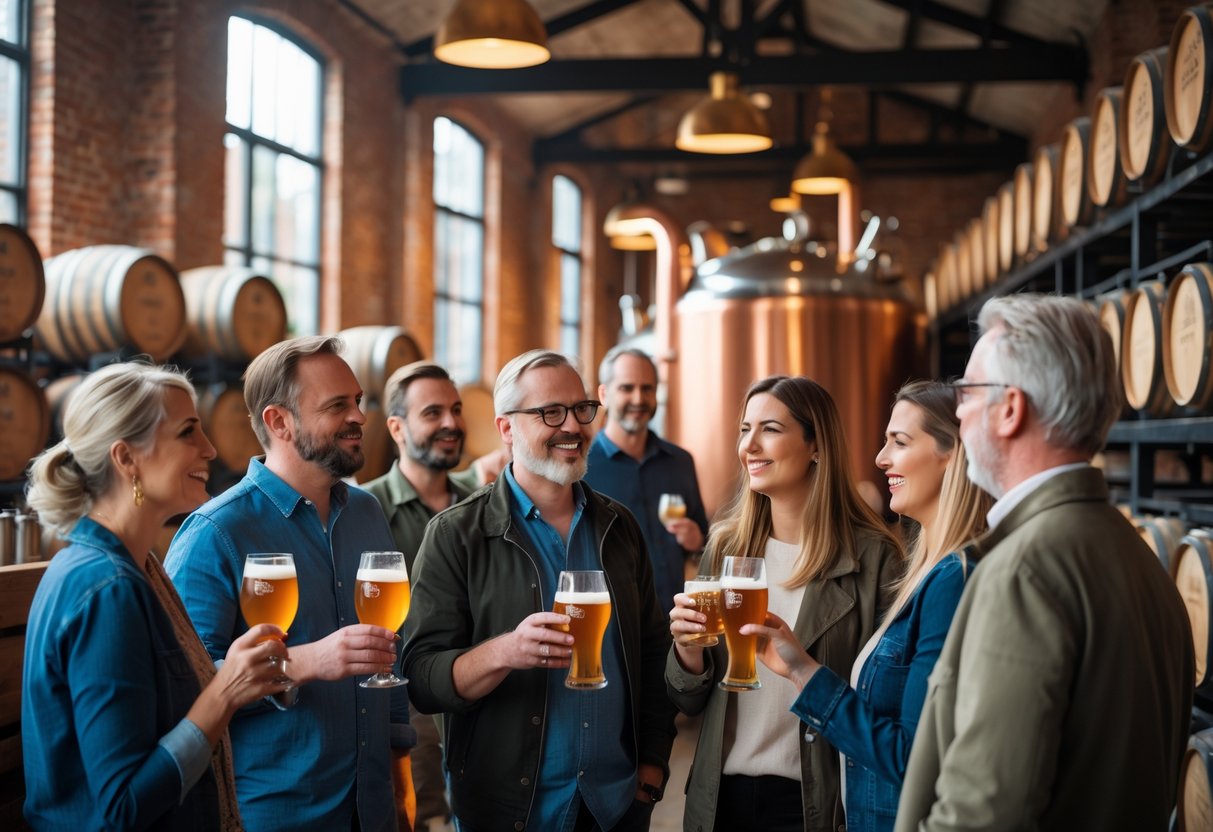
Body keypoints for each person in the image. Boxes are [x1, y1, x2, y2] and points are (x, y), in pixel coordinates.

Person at [894, 294, 1194, 831]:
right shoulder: (1140, 559)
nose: (959, 410)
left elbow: (980, 816)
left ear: (1010, 409)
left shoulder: (1024, 571)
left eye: (968, 391)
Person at [402, 349, 677, 831]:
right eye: (551, 412)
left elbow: (654, 651)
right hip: (511, 812)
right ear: (506, 428)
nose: (572, 425)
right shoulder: (455, 534)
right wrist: (504, 651)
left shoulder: (619, 526)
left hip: (616, 805)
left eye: (581, 409)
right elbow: (423, 677)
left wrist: (652, 765)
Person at [22, 362, 289, 830]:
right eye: (188, 432)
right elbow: (124, 806)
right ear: (126, 458)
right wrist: (223, 694)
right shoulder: (108, 589)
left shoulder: (136, 567)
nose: (210, 448)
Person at [165, 336, 415, 832]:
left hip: (374, 810)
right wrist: (306, 662)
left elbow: (391, 653)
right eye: (337, 405)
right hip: (277, 815)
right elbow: (185, 688)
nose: (359, 417)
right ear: (279, 422)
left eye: (358, 402)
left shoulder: (365, 511)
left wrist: (400, 787)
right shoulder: (215, 532)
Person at [743, 380, 992, 832]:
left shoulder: (951, 581)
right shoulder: (928, 572)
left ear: (952, 454)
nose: (880, 459)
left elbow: (910, 757)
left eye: (898, 441)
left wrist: (803, 673)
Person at [667, 375, 904, 832]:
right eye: (744, 429)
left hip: (815, 801)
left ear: (816, 445)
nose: (749, 446)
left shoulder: (875, 558)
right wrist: (688, 652)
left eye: (770, 429)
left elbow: (884, 710)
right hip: (721, 798)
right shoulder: (725, 547)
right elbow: (688, 699)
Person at [363, 360, 473, 832]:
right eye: (432, 413)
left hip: (483, 693)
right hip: (408, 707)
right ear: (397, 427)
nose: (450, 423)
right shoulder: (365, 509)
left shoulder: (482, 500)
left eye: (455, 409)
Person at [584, 346, 709, 610]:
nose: (639, 399)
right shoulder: (582, 466)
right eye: (627, 388)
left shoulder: (680, 462)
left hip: (672, 618)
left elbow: (703, 537)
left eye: (648, 388)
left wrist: (697, 539)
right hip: (609, 621)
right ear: (604, 394)